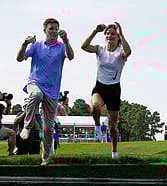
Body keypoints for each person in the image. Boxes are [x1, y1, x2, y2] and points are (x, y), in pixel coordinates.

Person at [16, 18, 74, 165]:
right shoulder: (36, 45)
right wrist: (24, 44)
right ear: (45, 31)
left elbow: (71, 56)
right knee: (36, 95)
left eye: (56, 28)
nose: (54, 31)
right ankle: (27, 127)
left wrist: (66, 41)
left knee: (48, 129)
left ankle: (46, 156)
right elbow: (19, 58)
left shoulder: (61, 47)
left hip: (52, 91)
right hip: (35, 82)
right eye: (51, 29)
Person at [81, 23, 131, 159]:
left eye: (113, 34)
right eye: (107, 34)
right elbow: (84, 47)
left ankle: (114, 151)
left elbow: (129, 51)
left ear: (117, 37)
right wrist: (95, 31)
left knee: (113, 126)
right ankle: (97, 126)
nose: (110, 36)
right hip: (100, 87)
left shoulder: (120, 51)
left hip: (114, 89)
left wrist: (121, 34)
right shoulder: (100, 49)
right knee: (95, 107)